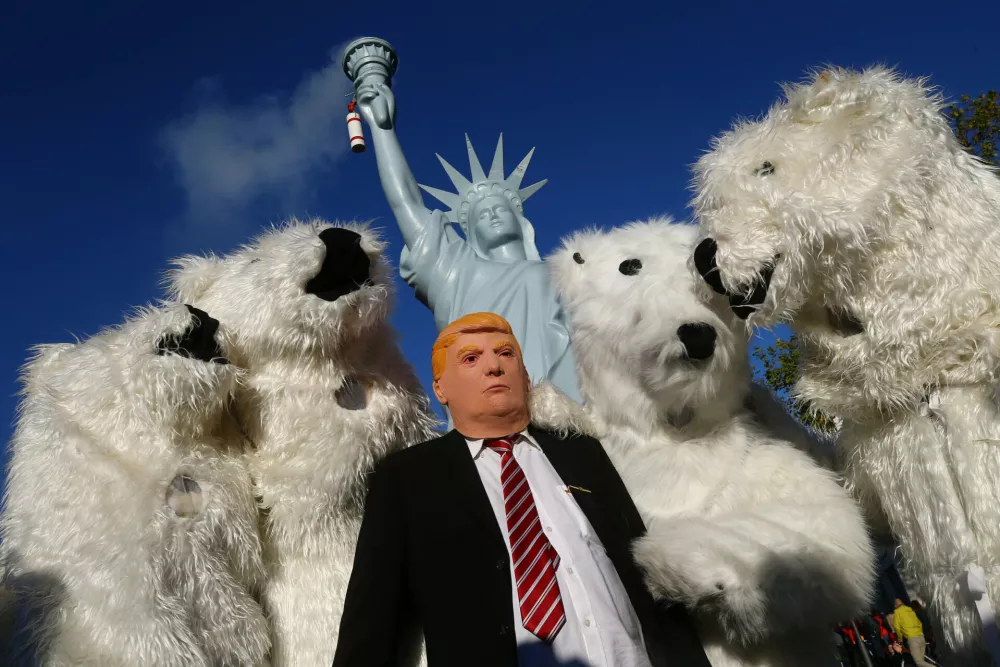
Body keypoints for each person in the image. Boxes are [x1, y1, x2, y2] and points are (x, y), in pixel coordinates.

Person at [332, 312, 710, 667]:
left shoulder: (583, 451)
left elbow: (644, 566)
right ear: (440, 388)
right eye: (471, 359)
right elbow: (373, 621)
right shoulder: (407, 477)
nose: (494, 366)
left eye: (506, 354)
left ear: (526, 378)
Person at [892, 599, 930, 666]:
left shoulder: (897, 612)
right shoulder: (910, 610)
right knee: (922, 662)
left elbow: (897, 627)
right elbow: (919, 623)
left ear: (895, 605)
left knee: (919, 662)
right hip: (921, 637)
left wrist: (900, 638)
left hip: (912, 639)